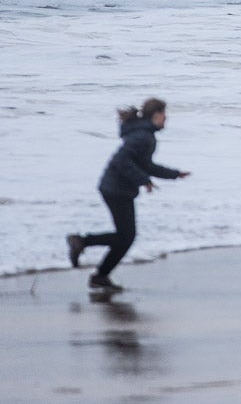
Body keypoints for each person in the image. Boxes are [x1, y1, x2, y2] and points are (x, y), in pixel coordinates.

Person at [67, 98, 190, 292]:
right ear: (156, 115)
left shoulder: (143, 134)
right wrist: (144, 180)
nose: (167, 118)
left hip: (115, 188)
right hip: (116, 189)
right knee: (126, 236)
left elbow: (145, 165)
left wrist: (173, 174)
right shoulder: (144, 136)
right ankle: (84, 247)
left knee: (125, 236)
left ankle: (97, 269)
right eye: (164, 114)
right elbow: (122, 161)